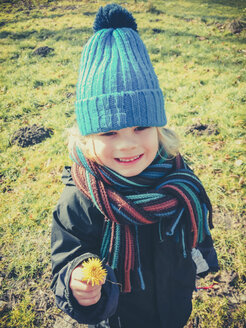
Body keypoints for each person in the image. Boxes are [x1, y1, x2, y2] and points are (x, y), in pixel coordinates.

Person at [51, 4, 219, 328]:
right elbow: (66, 255)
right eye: (109, 132)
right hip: (118, 317)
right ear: (87, 138)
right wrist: (75, 279)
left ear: (158, 127)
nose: (127, 144)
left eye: (141, 127)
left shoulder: (177, 177)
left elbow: (196, 223)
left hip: (173, 307)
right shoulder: (81, 199)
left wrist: (201, 258)